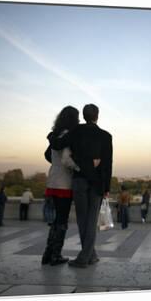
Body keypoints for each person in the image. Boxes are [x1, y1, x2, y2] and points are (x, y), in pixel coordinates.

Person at [49, 104, 113, 268]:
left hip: (79, 181)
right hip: (98, 183)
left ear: (84, 116)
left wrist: (51, 135)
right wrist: (107, 188)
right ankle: (89, 255)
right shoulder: (106, 136)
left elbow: (57, 144)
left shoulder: (76, 131)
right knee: (91, 221)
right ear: (97, 115)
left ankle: (85, 257)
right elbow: (107, 164)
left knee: (82, 220)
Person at [41, 106, 80, 266]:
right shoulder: (67, 136)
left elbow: (47, 155)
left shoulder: (55, 135)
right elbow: (66, 160)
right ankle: (56, 255)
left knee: (55, 222)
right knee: (62, 222)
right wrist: (78, 168)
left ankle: (48, 254)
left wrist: (56, 166)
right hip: (64, 184)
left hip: (52, 181)